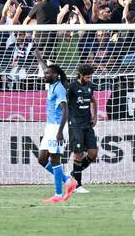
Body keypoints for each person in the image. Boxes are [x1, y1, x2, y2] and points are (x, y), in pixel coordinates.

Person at [62, 62, 98, 198]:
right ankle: (78, 185)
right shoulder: (71, 87)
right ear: (81, 75)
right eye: (87, 77)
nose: (89, 79)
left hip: (87, 124)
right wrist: (65, 117)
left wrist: (95, 116)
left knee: (93, 153)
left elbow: (93, 101)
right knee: (78, 153)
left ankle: (74, 173)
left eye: (90, 77)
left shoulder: (90, 86)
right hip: (75, 124)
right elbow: (63, 103)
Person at [37, 60, 69, 203]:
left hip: (57, 127)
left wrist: (60, 131)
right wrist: (38, 55)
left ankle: (58, 194)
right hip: (49, 127)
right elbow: (45, 67)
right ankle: (68, 181)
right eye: (45, 73)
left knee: (55, 159)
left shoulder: (59, 89)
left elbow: (65, 110)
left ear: (55, 75)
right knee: (42, 159)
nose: (45, 75)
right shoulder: (51, 84)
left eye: (47, 74)